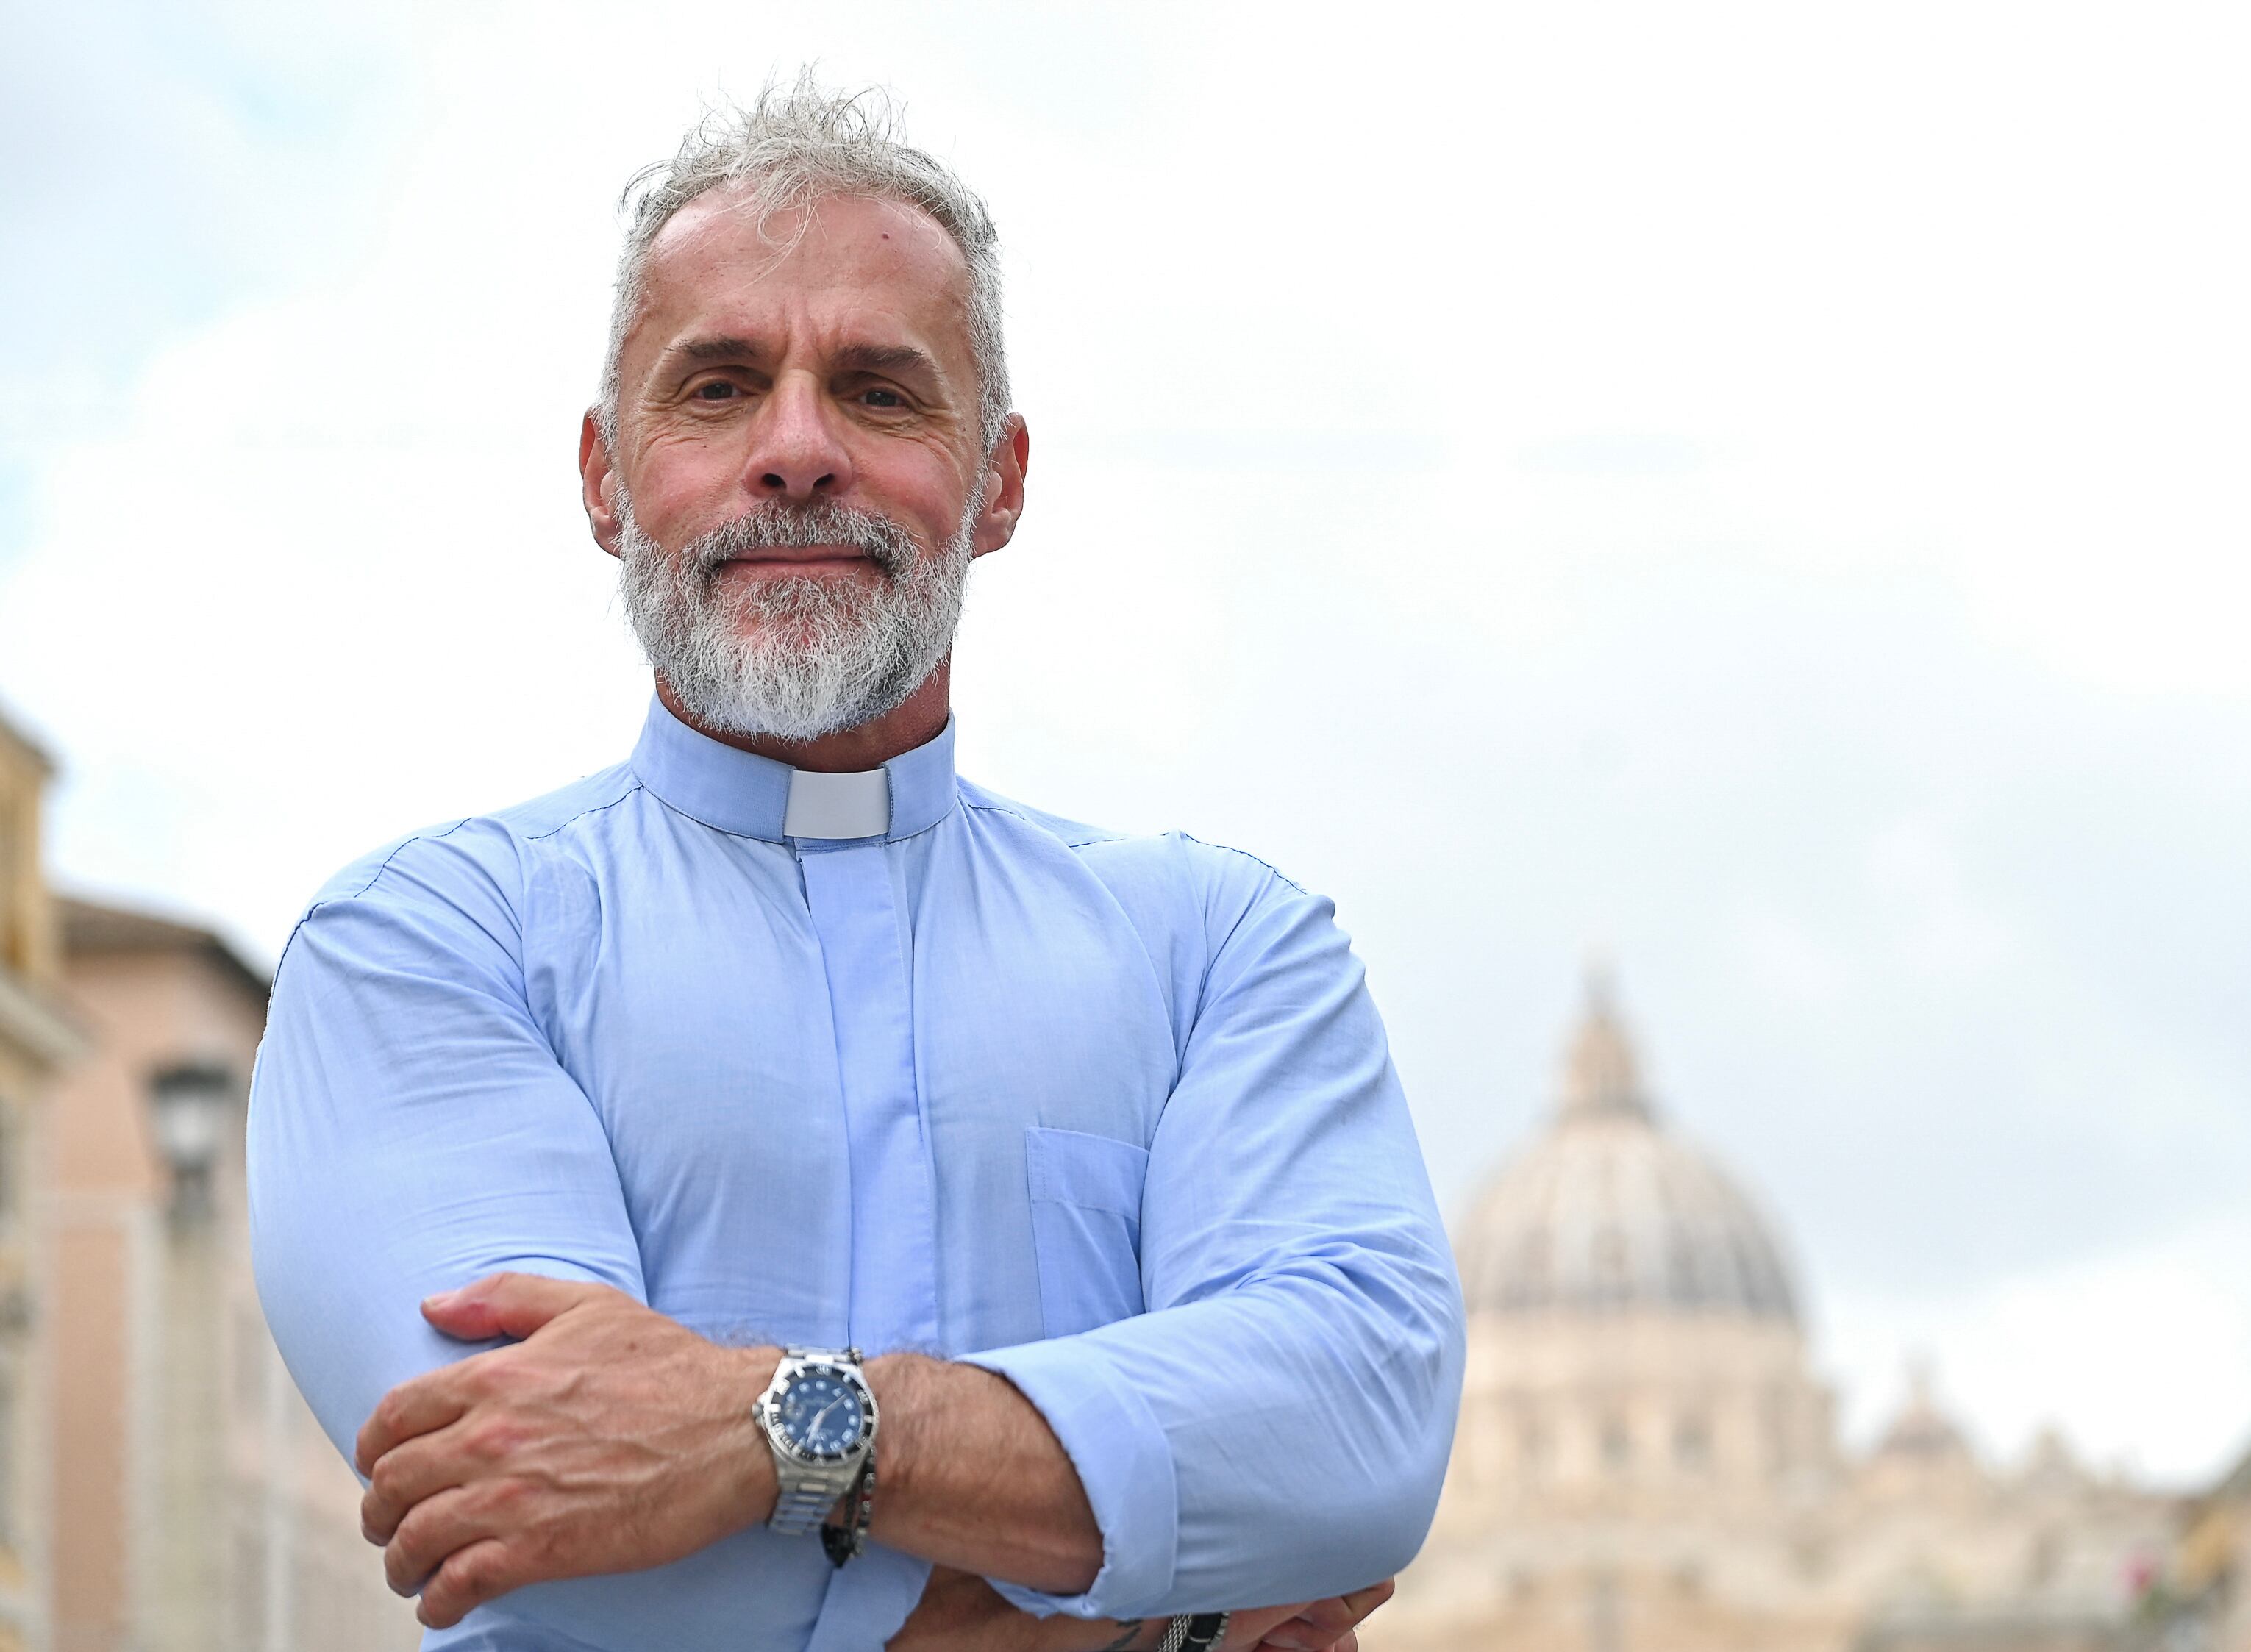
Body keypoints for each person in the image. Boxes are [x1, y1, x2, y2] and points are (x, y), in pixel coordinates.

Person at [247, 77, 1464, 1652]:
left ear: (1001, 478)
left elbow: (1355, 1429)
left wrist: (765, 1434)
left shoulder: (1222, 945)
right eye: (720, 387)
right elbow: (541, 1523)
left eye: (883, 392)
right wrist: (1172, 1610)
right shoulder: (426, 940)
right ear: (608, 479)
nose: (799, 451)